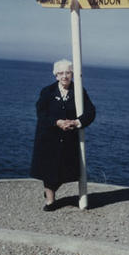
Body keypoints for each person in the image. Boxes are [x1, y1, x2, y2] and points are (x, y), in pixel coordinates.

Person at [30, 59, 96, 211]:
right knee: (48, 170)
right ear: (55, 75)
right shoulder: (47, 92)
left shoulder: (79, 91)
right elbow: (41, 113)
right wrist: (57, 122)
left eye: (67, 72)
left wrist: (76, 122)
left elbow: (91, 112)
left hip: (68, 140)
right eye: (61, 73)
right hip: (49, 138)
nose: (64, 76)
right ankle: (50, 201)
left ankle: (50, 191)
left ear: (72, 74)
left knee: (64, 172)